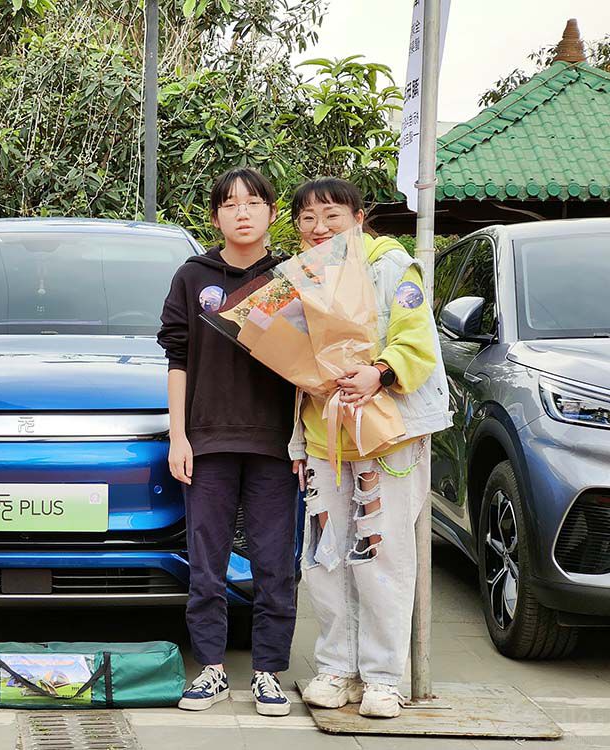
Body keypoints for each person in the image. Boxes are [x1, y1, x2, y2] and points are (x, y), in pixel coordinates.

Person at [289, 177, 449, 718]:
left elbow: (417, 343)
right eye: (308, 218)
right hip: (321, 439)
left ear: (360, 218)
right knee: (326, 558)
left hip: (387, 435)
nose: (320, 227)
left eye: (332, 215)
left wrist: (379, 372)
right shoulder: (299, 280)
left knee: (381, 555)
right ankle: (337, 669)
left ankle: (384, 678)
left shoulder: (392, 268)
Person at [158, 167, 299, 717]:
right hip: (208, 441)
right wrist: (179, 436)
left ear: (271, 212)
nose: (242, 212)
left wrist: (302, 443)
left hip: (276, 444)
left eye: (254, 202)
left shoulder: (291, 278)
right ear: (215, 215)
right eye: (230, 203)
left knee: (274, 562)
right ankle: (212, 669)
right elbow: (178, 359)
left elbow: (309, 366)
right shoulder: (193, 277)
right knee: (206, 561)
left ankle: (268, 672)